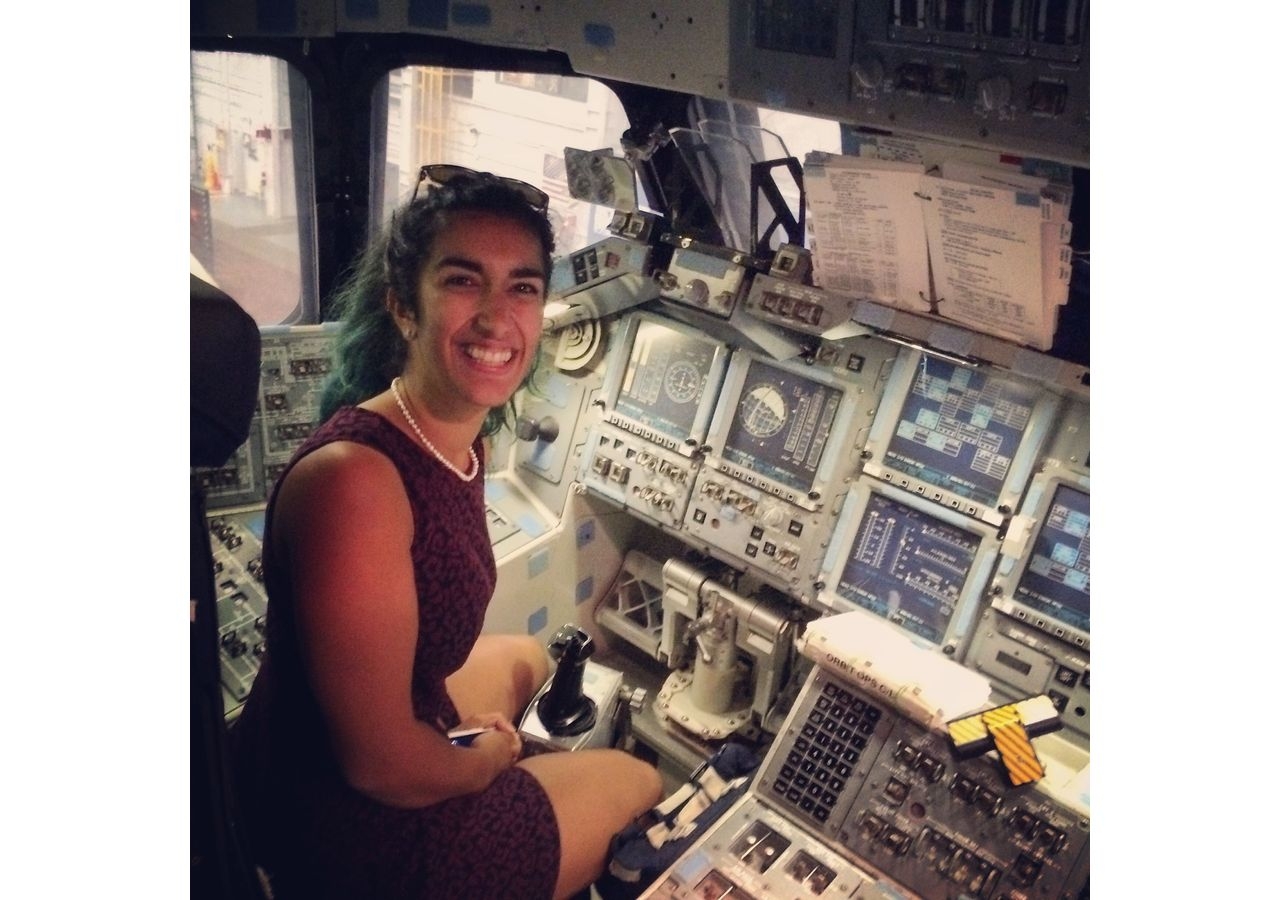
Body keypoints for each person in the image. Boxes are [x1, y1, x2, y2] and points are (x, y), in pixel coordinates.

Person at [229, 165, 664, 900]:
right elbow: (382, 769)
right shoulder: (355, 485)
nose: (498, 319)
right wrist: (488, 762)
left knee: (527, 657)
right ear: (404, 307)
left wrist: (482, 751)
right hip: (340, 833)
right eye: (464, 281)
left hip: (322, 750)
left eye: (522, 287)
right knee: (637, 779)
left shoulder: (456, 440)